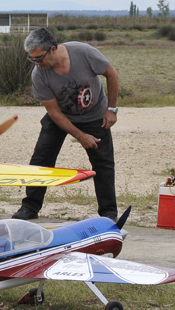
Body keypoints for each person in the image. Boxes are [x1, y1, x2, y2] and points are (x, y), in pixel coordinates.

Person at [12, 27, 119, 222]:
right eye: (32, 59)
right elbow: (53, 112)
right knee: (41, 159)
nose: (36, 63)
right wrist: (80, 136)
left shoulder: (84, 53)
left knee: (103, 163)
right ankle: (30, 206)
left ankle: (108, 214)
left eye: (39, 58)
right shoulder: (39, 74)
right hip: (60, 117)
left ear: (53, 48)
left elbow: (112, 74)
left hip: (95, 115)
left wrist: (112, 109)